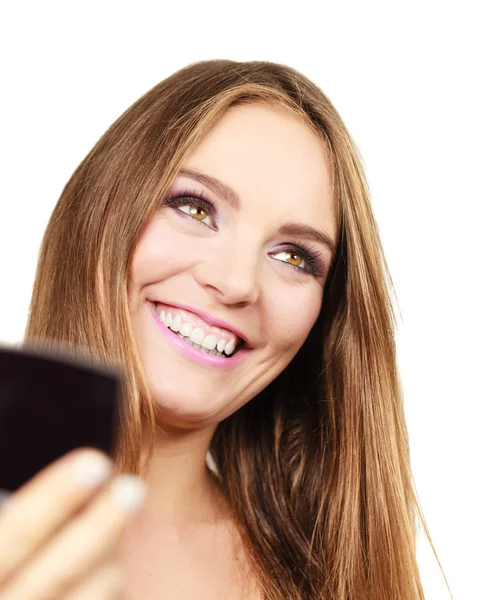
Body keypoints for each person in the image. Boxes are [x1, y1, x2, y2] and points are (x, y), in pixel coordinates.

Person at [0, 60, 451, 599]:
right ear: (99, 212)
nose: (238, 283)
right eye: (194, 208)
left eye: (293, 256)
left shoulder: (330, 577)